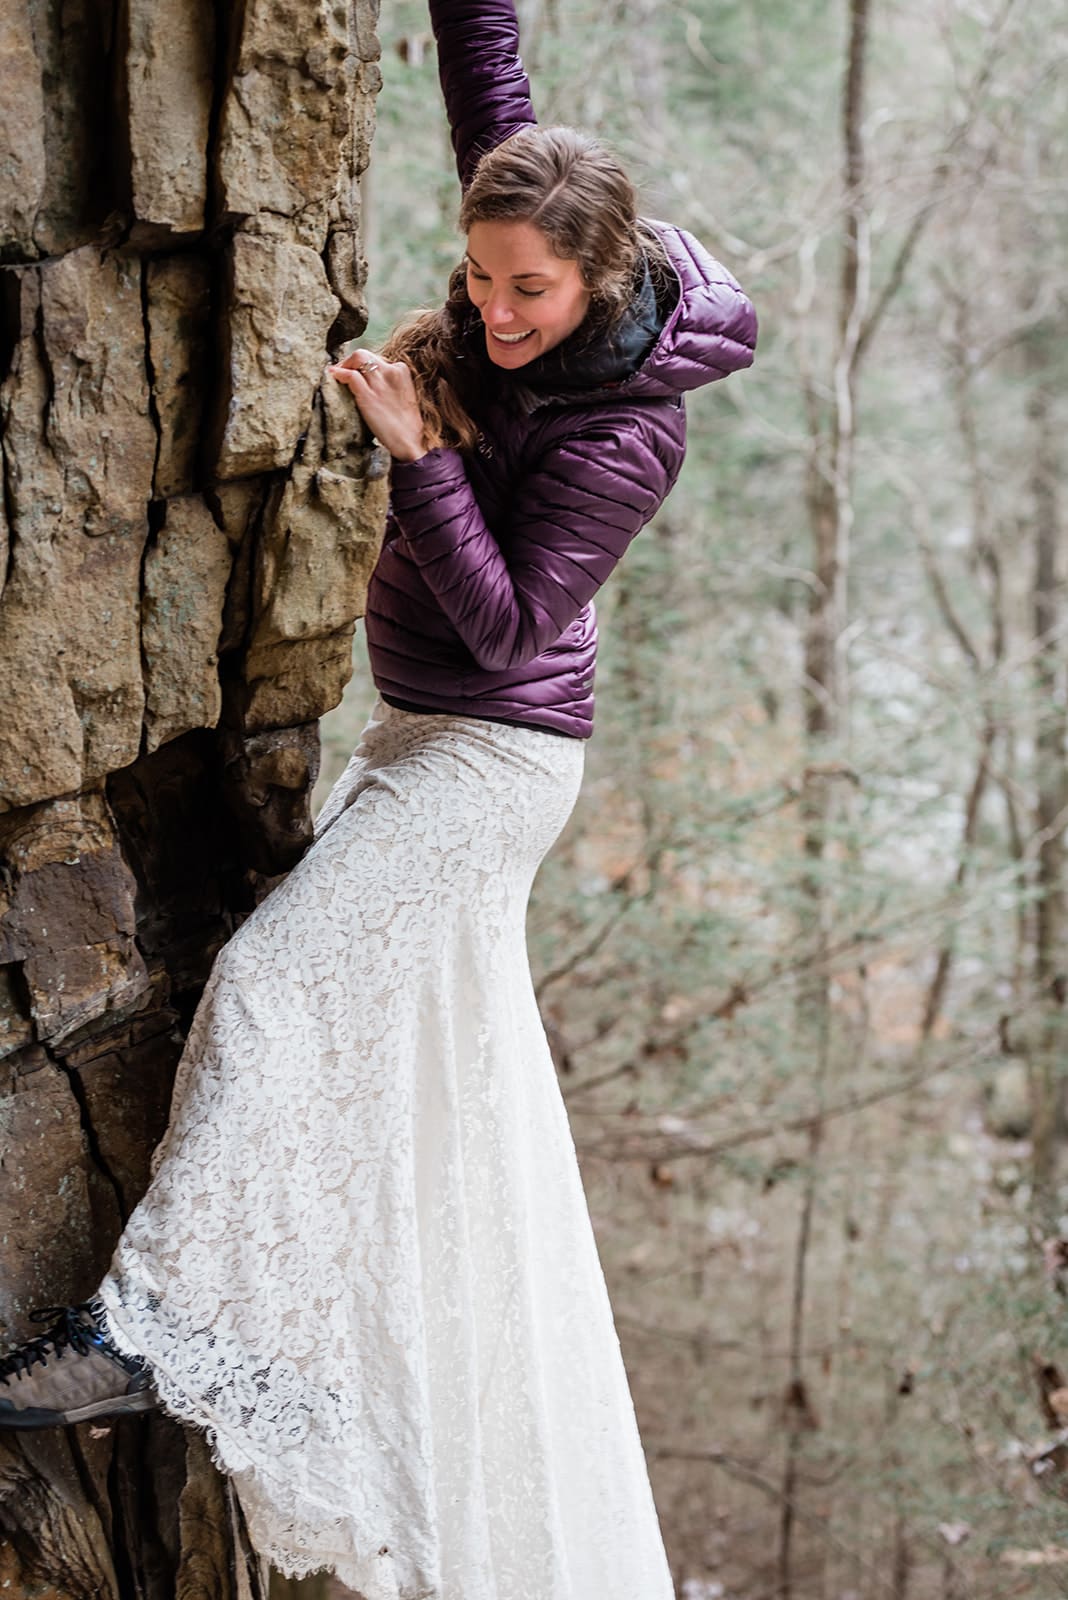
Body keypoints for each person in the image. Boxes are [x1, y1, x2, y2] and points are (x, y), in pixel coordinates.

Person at [0, 2, 756, 1595]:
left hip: (492, 767)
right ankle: (322, 1352)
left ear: (603, 274)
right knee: (397, 1077)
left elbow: (506, 627)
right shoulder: (533, 222)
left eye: (526, 290)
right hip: (414, 739)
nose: (489, 310)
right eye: (477, 277)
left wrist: (418, 453)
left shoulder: (633, 430)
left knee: (275, 983)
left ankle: (166, 1333)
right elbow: (493, 70)